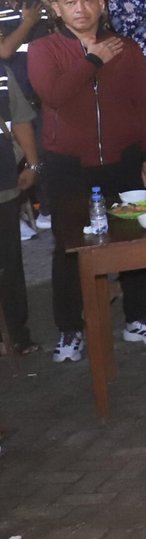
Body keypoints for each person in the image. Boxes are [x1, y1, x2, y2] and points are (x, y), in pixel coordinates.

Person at [32, 0, 146, 363]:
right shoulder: (44, 49)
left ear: (101, 3)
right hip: (69, 164)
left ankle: (137, 317)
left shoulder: (126, 48)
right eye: (70, 2)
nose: (81, 9)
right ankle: (70, 329)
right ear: (57, 10)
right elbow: (54, 95)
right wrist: (92, 59)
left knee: (131, 240)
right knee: (69, 248)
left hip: (123, 159)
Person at [0, 65, 40, 355]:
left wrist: (33, 164)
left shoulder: (1, 73)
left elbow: (20, 119)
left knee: (9, 262)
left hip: (3, 182)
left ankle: (16, 335)